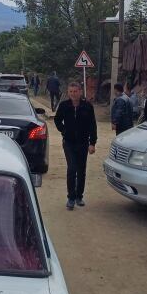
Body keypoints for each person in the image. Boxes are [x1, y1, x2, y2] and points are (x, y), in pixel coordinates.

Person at [53, 82, 97, 210]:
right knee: (72, 169)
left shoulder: (87, 106)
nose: (73, 93)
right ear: (68, 92)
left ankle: (79, 196)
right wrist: (64, 130)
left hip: (83, 143)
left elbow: (92, 125)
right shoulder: (64, 106)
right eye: (71, 91)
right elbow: (57, 120)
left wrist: (92, 143)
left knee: (81, 170)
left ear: (80, 92)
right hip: (69, 143)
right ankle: (71, 198)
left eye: (75, 91)